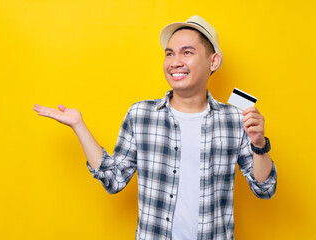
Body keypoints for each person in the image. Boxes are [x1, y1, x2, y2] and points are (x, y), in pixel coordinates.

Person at [33, 15, 277, 240]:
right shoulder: (141, 115)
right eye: (169, 54)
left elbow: (264, 189)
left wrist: (259, 145)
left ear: (213, 61)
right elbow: (113, 179)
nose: (175, 62)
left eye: (187, 52)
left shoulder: (235, 119)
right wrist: (78, 125)